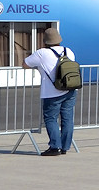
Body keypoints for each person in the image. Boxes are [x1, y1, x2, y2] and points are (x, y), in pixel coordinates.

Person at [24, 27, 77, 156]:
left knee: (51, 118)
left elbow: (25, 64)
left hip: (52, 92)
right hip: (70, 89)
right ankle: (65, 147)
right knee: (67, 119)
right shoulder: (68, 51)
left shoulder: (42, 53)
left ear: (45, 41)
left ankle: (55, 147)